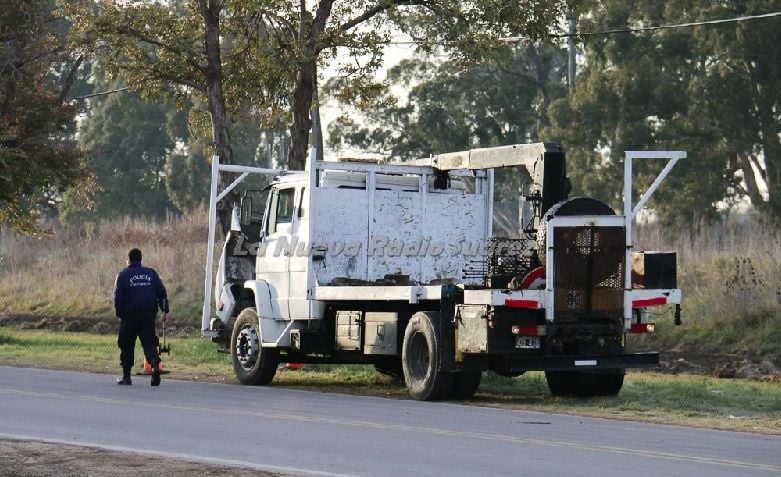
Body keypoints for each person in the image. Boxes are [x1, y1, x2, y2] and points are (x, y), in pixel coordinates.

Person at [113, 248, 169, 386]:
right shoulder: (151, 274)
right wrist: (164, 310)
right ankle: (155, 364)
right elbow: (162, 293)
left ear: (129, 259)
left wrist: (120, 314)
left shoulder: (123, 275)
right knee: (149, 343)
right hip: (147, 315)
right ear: (140, 259)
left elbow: (118, 298)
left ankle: (127, 377)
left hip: (129, 316)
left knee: (126, 345)